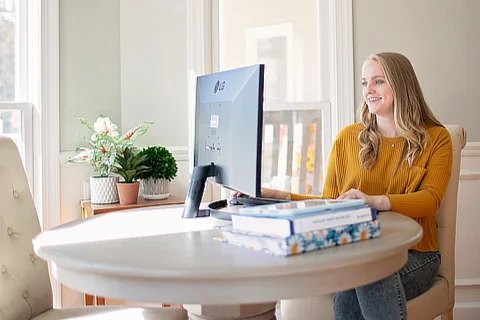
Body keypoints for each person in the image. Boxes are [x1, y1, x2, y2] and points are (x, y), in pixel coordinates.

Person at [259, 52, 453, 319]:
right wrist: (277, 196)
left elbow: (430, 199)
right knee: (360, 271)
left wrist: (374, 200)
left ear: (401, 84)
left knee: (367, 274)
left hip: (415, 254)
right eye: (364, 83)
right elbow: (328, 203)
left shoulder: (436, 138)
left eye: (378, 81)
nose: (368, 90)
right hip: (355, 253)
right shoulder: (347, 139)